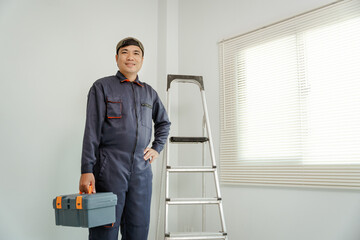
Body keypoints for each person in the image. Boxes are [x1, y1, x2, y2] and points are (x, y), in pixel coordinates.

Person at [79, 37, 171, 240]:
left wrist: (156, 147)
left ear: (142, 59)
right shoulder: (102, 87)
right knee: (105, 229)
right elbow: (91, 131)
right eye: (125, 52)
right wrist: (87, 170)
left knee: (138, 229)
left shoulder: (149, 93)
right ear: (117, 58)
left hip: (141, 170)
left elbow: (164, 123)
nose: (131, 57)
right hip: (109, 168)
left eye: (136, 53)